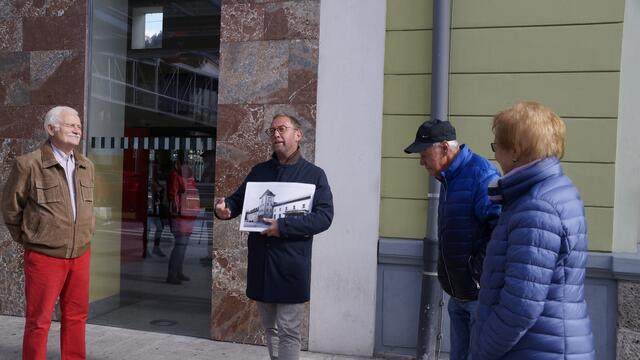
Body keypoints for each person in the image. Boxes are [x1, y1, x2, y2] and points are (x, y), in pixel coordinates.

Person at [471, 101, 595, 359]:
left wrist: (483, 350)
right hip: (545, 344)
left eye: (496, 146)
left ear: (514, 151)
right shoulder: (553, 190)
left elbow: (520, 305)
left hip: (536, 349)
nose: (494, 155)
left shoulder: (536, 206)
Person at [215, 113, 333, 360]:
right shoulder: (259, 171)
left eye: (282, 129)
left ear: (298, 135)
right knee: (271, 329)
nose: (276, 134)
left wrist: (284, 227)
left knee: (289, 331)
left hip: (292, 265)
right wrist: (224, 210)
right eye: (272, 131)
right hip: (262, 263)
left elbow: (324, 217)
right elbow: (237, 202)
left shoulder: (314, 175)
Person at [2, 106, 95, 360]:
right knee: (39, 320)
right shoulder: (28, 164)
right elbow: (10, 209)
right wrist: (31, 238)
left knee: (77, 316)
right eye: (70, 125)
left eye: (79, 125)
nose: (77, 129)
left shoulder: (86, 165)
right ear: (50, 129)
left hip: (80, 254)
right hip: (44, 257)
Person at [404, 118, 501, 360]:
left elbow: (499, 229)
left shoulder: (481, 174)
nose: (420, 161)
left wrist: (476, 273)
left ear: (445, 148)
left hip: (478, 295)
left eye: (424, 153)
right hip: (458, 293)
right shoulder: (449, 177)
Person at [166, 159, 199, 284]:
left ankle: (178, 271)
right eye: (185, 163)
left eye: (189, 163)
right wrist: (176, 211)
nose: (188, 166)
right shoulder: (176, 175)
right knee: (180, 245)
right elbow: (172, 195)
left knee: (183, 246)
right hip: (181, 215)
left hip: (189, 214)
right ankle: (172, 274)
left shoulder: (189, 176)